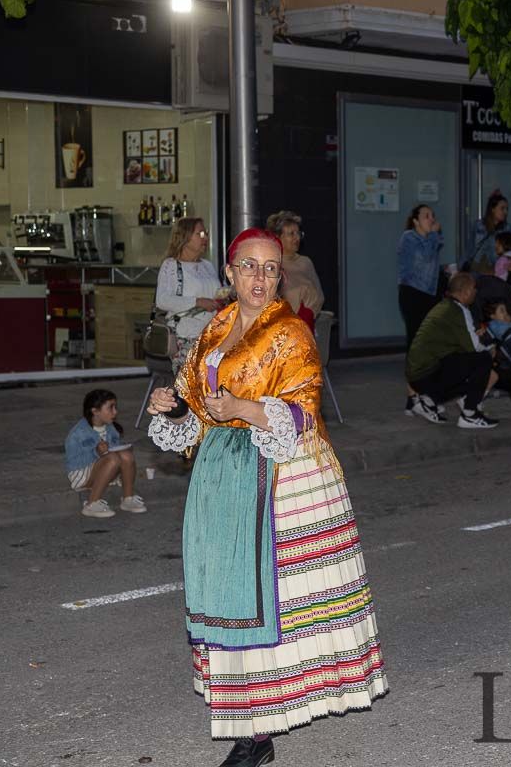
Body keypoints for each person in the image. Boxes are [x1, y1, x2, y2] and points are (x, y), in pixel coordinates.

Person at [145, 228, 387, 764]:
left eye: (271, 268)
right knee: (225, 588)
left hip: (279, 470)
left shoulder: (291, 333)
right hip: (220, 470)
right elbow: (196, 399)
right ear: (229, 274)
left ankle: (256, 731)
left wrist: (244, 410)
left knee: (262, 592)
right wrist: (174, 407)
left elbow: (302, 411)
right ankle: (248, 718)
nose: (260, 278)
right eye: (249, 267)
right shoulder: (216, 328)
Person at [405, 272, 500, 429]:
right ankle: (470, 414)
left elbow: (458, 342)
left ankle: (428, 399)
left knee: (467, 365)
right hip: (427, 374)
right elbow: (475, 347)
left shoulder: (444, 306)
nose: (476, 292)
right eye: (474, 289)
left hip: (416, 376)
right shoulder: (459, 310)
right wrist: (491, 349)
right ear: (467, 291)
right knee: (483, 359)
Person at [65, 389, 145, 518]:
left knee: (126, 455)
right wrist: (97, 452)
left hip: (104, 469)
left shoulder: (111, 428)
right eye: (110, 408)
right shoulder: (79, 433)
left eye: (115, 407)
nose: (115, 412)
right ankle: (92, 503)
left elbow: (114, 451)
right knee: (112, 458)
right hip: (81, 474)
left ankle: (128, 499)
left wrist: (121, 451)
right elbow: (76, 462)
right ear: (95, 411)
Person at [156, 217, 222, 375]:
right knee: (192, 387)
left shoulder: (207, 265)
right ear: (185, 237)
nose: (205, 237)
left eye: (205, 233)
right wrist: (197, 302)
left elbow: (216, 293)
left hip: (212, 336)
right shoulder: (171, 266)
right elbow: (162, 300)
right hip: (186, 336)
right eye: (199, 233)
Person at [398, 204, 446, 414]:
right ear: (415, 221)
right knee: (415, 346)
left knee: (430, 346)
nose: (431, 219)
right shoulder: (409, 238)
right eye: (426, 216)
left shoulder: (430, 240)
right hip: (413, 296)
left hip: (430, 296)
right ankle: (412, 397)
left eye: (432, 215)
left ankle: (426, 392)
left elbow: (431, 270)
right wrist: (435, 236)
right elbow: (424, 259)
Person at [266, 210, 324, 330]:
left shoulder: (305, 262)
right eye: (291, 234)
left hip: (305, 327)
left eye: (298, 233)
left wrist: (307, 314)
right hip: (278, 328)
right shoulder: (270, 263)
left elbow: (319, 297)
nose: (297, 238)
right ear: (278, 237)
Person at [468, 192, 511, 275]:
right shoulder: (478, 225)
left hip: (497, 270)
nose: (505, 212)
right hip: (477, 270)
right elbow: (470, 248)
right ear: (492, 209)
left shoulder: (507, 228)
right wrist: (460, 267)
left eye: (507, 209)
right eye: (502, 208)